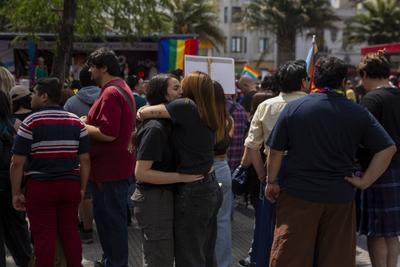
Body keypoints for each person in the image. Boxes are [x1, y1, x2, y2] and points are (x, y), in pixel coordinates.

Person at [265, 56, 397, 267]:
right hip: (340, 197)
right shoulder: (357, 112)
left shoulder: (294, 109)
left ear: (313, 80)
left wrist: (271, 182)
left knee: (290, 256)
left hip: (298, 195)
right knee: (337, 259)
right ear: (344, 82)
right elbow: (388, 148)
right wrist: (365, 181)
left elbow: (275, 151)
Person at [138, 71, 223, 267]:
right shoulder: (208, 109)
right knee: (206, 252)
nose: (181, 89)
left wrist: (139, 113)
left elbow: (145, 112)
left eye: (183, 85)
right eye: (176, 87)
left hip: (194, 191)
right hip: (210, 185)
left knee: (190, 257)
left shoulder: (186, 106)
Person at [10, 77, 91, 267]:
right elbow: (85, 159)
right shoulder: (76, 122)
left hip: (40, 187)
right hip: (70, 185)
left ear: (44, 96)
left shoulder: (30, 122)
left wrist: (16, 193)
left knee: (44, 238)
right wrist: (82, 187)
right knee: (70, 233)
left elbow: (17, 162)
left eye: (34, 93)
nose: (31, 97)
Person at [240, 60, 309, 267]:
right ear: (304, 82)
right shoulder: (311, 103)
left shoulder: (265, 106)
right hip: (305, 171)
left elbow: (252, 146)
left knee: (268, 225)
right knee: (302, 226)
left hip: (272, 169)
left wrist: (264, 176)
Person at [84, 47, 135, 267]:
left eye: (92, 67)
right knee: (111, 223)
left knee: (110, 224)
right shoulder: (119, 88)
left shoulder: (111, 92)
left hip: (109, 172)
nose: (89, 71)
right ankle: (111, 261)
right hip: (114, 170)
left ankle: (114, 263)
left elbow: (108, 133)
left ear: (103, 68)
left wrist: (81, 125)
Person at [357, 51, 400, 267]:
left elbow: (361, 138)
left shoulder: (371, 99)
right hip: (396, 171)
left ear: (365, 74)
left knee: (376, 231)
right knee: (392, 233)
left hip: (377, 171)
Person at [64, 65, 100, 244]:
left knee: (84, 192)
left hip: (79, 151)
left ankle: (86, 230)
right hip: (103, 149)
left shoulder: (71, 102)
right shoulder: (106, 97)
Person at [0, 90, 32, 267]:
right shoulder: (16, 125)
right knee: (18, 231)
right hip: (13, 183)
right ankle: (27, 262)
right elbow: (24, 158)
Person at [212, 81, 234, 267]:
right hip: (222, 167)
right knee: (222, 222)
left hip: (208, 169)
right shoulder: (227, 120)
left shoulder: (201, 118)